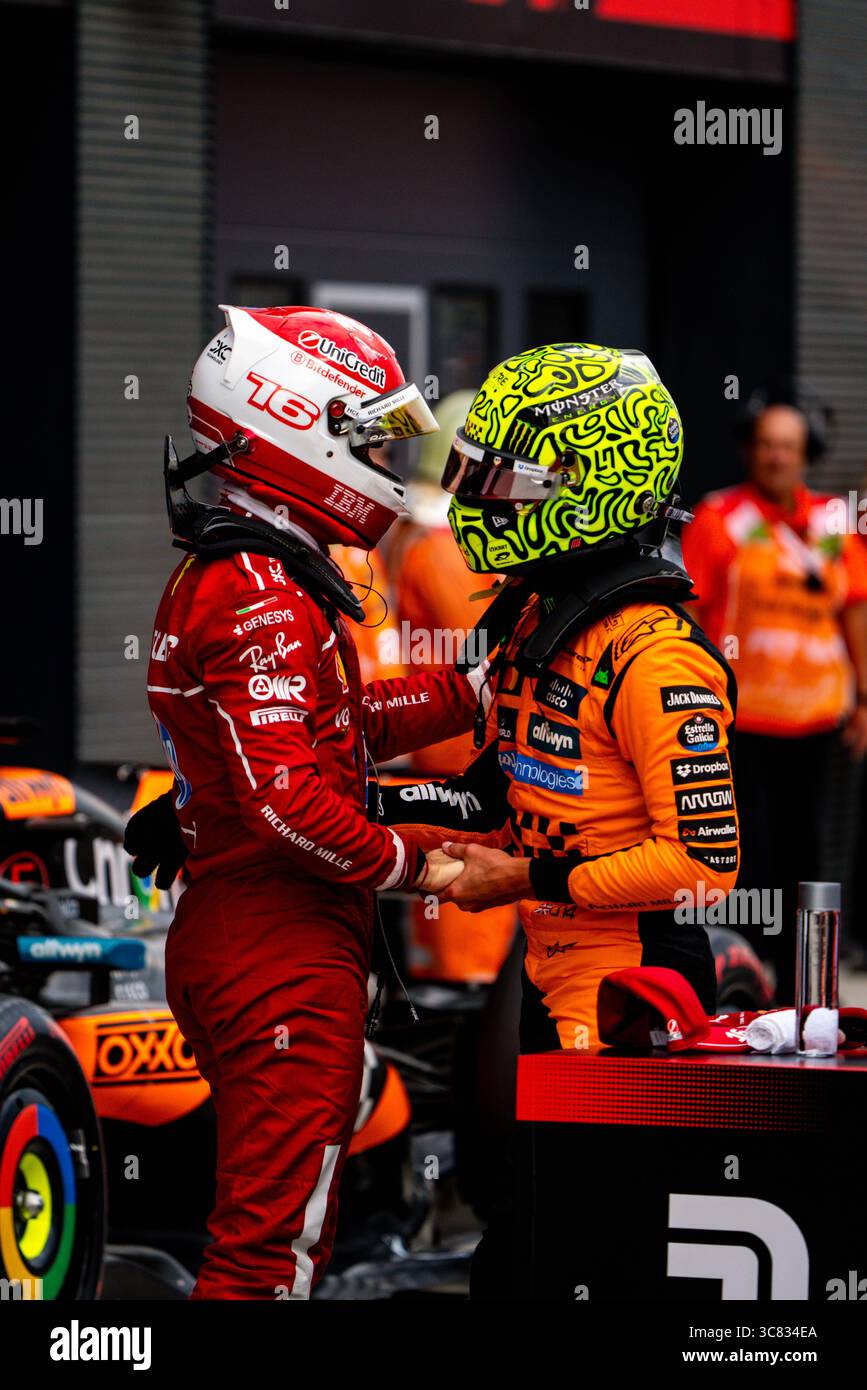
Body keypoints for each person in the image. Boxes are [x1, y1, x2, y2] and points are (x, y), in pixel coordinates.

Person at [126, 305, 487, 1299]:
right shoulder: (259, 588)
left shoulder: (244, 563)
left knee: (281, 1230)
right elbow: (289, 800)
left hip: (250, 931)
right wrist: (427, 864)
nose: (382, 458)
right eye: (367, 436)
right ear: (292, 421)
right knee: (270, 1251)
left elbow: (339, 720)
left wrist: (476, 689)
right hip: (276, 947)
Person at [373, 342, 741, 1294]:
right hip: (546, 971)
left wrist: (523, 878)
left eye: (501, 480)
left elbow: (704, 865)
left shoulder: (655, 656)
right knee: (528, 1239)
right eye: (470, 475)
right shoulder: (539, 621)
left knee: (593, 1253)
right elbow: (493, 796)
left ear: (597, 482)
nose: (478, 503)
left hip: (636, 993)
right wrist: (333, 805)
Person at [682, 391, 867, 999]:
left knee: (808, 855)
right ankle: (748, 982)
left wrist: (864, 699)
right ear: (748, 448)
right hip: (743, 718)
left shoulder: (835, 522)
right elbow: (692, 613)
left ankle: (808, 991)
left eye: (787, 445)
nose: (775, 456)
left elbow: (856, 609)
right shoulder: (719, 517)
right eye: (764, 444)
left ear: (806, 452)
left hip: (818, 721)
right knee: (748, 858)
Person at [394, 392, 516, 984]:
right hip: (458, 754)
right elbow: (483, 650)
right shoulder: (443, 548)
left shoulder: (435, 541)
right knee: (467, 930)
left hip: (461, 747)